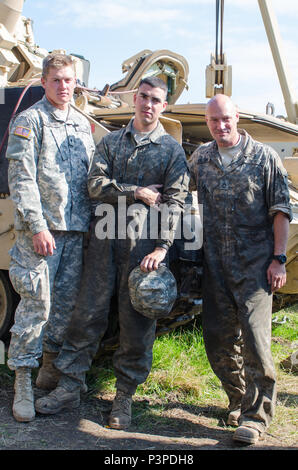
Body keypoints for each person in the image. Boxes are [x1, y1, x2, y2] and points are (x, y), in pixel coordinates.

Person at [35, 76, 190, 429]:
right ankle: (70, 386)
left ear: (163, 106)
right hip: (103, 243)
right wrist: (137, 191)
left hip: (142, 251)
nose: (148, 104)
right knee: (86, 316)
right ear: (135, 98)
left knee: (136, 324)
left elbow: (176, 202)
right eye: (144, 97)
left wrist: (163, 248)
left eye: (156, 100)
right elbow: (94, 185)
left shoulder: (170, 150)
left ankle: (123, 396)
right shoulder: (112, 143)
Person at [188, 94, 292, 445]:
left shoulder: (264, 157)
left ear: (237, 118)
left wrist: (279, 259)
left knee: (255, 341)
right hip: (215, 265)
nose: (221, 126)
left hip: (256, 267)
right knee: (216, 339)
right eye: (214, 121)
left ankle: (257, 417)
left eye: (226, 119)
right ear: (208, 123)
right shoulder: (201, 158)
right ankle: (238, 397)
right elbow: (178, 189)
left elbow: (281, 211)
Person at [6, 53, 95, 422]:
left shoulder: (81, 124)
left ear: (76, 82)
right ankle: (22, 382)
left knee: (64, 310)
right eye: (56, 79)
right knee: (35, 307)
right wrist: (37, 225)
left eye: (69, 79)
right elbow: (21, 177)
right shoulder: (31, 120)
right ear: (44, 81)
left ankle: (50, 372)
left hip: (76, 232)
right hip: (40, 233)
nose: (63, 86)